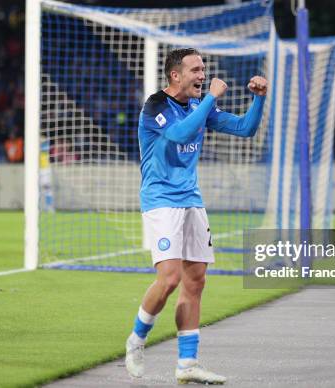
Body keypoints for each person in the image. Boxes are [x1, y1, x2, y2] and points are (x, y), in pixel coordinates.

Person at [125, 48, 267, 385]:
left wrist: (258, 100)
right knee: (170, 278)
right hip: (161, 200)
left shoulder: (198, 107)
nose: (202, 75)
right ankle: (136, 340)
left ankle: (187, 363)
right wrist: (210, 101)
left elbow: (245, 128)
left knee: (196, 280)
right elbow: (179, 134)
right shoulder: (156, 105)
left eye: (203, 69)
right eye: (196, 69)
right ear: (175, 75)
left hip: (192, 201)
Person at [40, 136, 54, 212]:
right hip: (36, 169)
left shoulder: (45, 145)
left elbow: (46, 148)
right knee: (37, 189)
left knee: (47, 188)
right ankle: (38, 206)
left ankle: (49, 206)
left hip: (45, 169)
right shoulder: (32, 146)